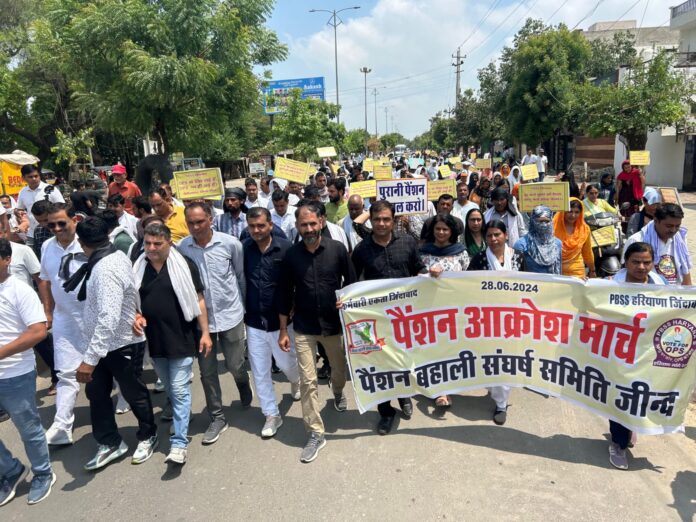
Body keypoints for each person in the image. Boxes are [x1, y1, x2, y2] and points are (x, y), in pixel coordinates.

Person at [69, 216, 157, 471]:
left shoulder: (106, 268)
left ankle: (148, 434)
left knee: (133, 393)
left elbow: (109, 317)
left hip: (121, 344)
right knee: (96, 394)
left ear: (82, 242)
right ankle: (109, 442)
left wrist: (89, 359)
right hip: (102, 346)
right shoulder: (111, 256)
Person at [277, 202, 356, 463]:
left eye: (313, 223)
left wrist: (347, 299)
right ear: (297, 226)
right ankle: (315, 433)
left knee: (339, 370)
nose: (309, 229)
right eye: (303, 225)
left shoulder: (337, 249)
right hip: (304, 327)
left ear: (321, 222)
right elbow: (284, 294)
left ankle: (337, 392)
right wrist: (282, 331)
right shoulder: (291, 256)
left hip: (333, 325)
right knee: (308, 381)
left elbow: (352, 284)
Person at [132, 223, 212, 465]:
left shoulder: (184, 265)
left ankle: (179, 443)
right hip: (153, 341)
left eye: (157, 243)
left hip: (181, 338)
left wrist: (205, 332)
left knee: (178, 389)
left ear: (169, 243)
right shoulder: (138, 267)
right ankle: (182, 415)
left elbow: (198, 300)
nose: (152, 248)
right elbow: (132, 300)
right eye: (147, 243)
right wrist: (136, 316)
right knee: (170, 388)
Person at [178, 203, 251, 445]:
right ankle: (217, 416)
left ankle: (242, 383)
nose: (196, 227)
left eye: (200, 221)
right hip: (201, 324)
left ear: (210, 219)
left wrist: (245, 310)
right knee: (207, 372)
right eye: (191, 223)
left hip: (231, 316)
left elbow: (240, 277)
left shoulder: (230, 244)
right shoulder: (182, 248)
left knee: (234, 364)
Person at [352, 200, 425, 435]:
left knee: (403, 360)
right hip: (375, 319)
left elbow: (419, 271)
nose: (381, 224)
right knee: (379, 366)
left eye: (386, 219)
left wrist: (431, 275)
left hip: (405, 317)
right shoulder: (361, 249)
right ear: (370, 221)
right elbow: (353, 284)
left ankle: (404, 396)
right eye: (377, 219)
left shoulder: (408, 243)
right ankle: (385, 412)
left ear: (393, 221)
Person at [0, 238, 55, 506]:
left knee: (28, 428)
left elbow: (38, 331)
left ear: (6, 259)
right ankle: (10, 469)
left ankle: (43, 473)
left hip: (15, 374)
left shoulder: (20, 291)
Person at [607, 242, 666, 470]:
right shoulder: (611, 286)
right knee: (620, 394)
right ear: (626, 262)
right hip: (619, 351)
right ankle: (618, 443)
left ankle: (629, 426)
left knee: (640, 393)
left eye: (647, 262)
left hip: (648, 351)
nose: (641, 267)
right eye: (636, 262)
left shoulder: (660, 285)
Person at [243, 207, 301, 438]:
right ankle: (271, 414)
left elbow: (295, 284)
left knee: (287, 365)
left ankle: (295, 382)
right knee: (260, 370)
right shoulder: (244, 249)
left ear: (270, 225)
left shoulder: (285, 249)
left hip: (282, 323)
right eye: (252, 226)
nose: (256, 230)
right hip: (254, 321)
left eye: (261, 226)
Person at [36, 204, 87, 446]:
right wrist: (48, 311)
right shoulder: (47, 247)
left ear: (74, 220)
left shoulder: (88, 243)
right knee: (66, 372)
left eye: (61, 223)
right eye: (51, 225)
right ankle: (62, 424)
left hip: (92, 316)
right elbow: (44, 280)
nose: (56, 229)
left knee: (108, 365)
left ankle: (122, 399)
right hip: (64, 318)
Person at [467, 220, 525, 425]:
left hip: (513, 319)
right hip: (487, 320)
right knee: (489, 360)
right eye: (489, 235)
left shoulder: (518, 257)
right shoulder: (479, 260)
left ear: (506, 235)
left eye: (497, 235)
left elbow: (531, 285)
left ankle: (501, 403)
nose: (493, 239)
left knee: (505, 360)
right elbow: (465, 286)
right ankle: (494, 389)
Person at [419, 213, 469, 408]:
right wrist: (425, 275)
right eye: (437, 229)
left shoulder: (461, 253)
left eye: (445, 229)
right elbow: (415, 278)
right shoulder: (423, 252)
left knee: (450, 351)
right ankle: (440, 392)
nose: (441, 232)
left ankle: (448, 386)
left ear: (452, 232)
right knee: (433, 350)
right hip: (429, 310)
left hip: (453, 310)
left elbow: (468, 280)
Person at [623, 203, 692, 286]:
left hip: (674, 294)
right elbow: (625, 273)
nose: (673, 230)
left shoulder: (680, 239)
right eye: (669, 226)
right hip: (648, 294)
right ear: (656, 220)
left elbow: (685, 269)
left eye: (677, 226)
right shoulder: (636, 240)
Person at [16, 164, 65, 248]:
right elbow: (20, 209)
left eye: (36, 176)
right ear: (24, 178)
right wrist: (18, 212)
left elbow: (62, 207)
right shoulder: (22, 192)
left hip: (52, 231)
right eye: (30, 177)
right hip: (32, 233)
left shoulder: (50, 189)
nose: (34, 179)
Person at [553, 198, 595, 278]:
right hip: (556, 272)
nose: (573, 215)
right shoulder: (553, 227)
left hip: (577, 272)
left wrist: (592, 270)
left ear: (581, 213)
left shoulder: (584, 229)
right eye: (570, 211)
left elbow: (587, 252)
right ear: (563, 212)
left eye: (576, 212)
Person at [514, 206, 562, 274]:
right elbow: (516, 272)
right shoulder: (521, 244)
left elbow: (559, 270)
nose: (544, 225)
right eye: (540, 221)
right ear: (532, 221)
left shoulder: (557, 244)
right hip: (531, 283)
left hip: (552, 283)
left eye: (547, 221)